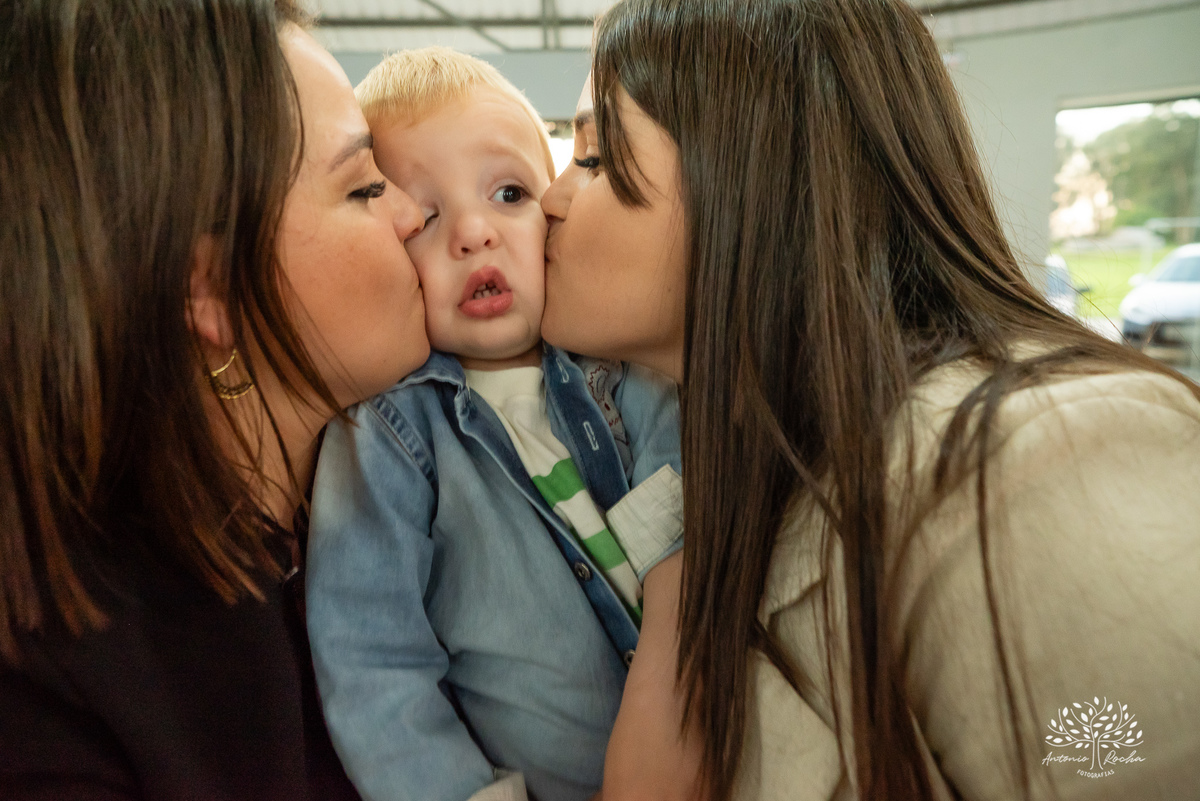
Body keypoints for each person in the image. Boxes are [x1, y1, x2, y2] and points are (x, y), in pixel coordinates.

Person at [539, 0, 1200, 799]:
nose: (551, 199)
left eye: (596, 157)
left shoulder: (1035, 461)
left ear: (758, 176)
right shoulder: (734, 469)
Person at [0, 2, 429, 798]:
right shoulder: (55, 693)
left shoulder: (376, 525)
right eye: (365, 186)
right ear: (207, 286)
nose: (412, 215)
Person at [305, 48, 690, 801]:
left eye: (510, 192)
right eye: (429, 215)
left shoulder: (625, 372)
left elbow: (697, 531)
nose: (475, 233)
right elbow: (372, 660)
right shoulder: (386, 435)